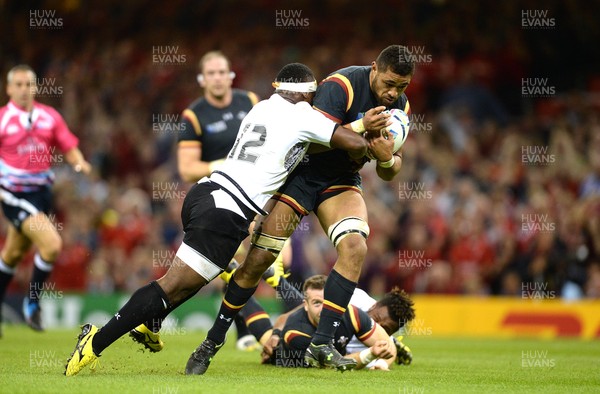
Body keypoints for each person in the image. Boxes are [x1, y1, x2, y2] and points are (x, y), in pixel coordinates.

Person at [64, 62, 368, 376]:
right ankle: (95, 341)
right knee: (172, 286)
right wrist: (367, 127)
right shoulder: (304, 116)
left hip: (208, 193)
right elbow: (352, 143)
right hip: (226, 210)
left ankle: (150, 324)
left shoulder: (261, 107)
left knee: (187, 285)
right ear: (307, 94)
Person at [186, 44, 414, 373]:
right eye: (389, 84)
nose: (393, 93)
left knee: (355, 247)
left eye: (402, 87)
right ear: (374, 69)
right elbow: (312, 141)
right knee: (258, 261)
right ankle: (212, 341)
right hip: (301, 174)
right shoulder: (342, 86)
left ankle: (321, 344)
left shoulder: (401, 108)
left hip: (342, 181)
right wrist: (362, 128)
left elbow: (390, 170)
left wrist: (386, 157)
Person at [130, 50, 262, 352]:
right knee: (223, 266)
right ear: (202, 79)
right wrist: (229, 163)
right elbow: (187, 168)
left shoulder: (252, 103)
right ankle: (247, 330)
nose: (217, 78)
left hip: (254, 197)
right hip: (217, 199)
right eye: (211, 73)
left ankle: (156, 318)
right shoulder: (194, 115)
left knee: (244, 264)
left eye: (222, 72)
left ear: (231, 76)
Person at [0, 65, 92, 336]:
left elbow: (68, 146)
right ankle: (32, 303)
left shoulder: (49, 117)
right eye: (18, 85)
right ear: (8, 89)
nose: (24, 90)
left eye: (29, 85)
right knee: (52, 244)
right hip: (14, 194)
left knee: (13, 254)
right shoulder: (3, 119)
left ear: (36, 88)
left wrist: (79, 163)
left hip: (42, 194)